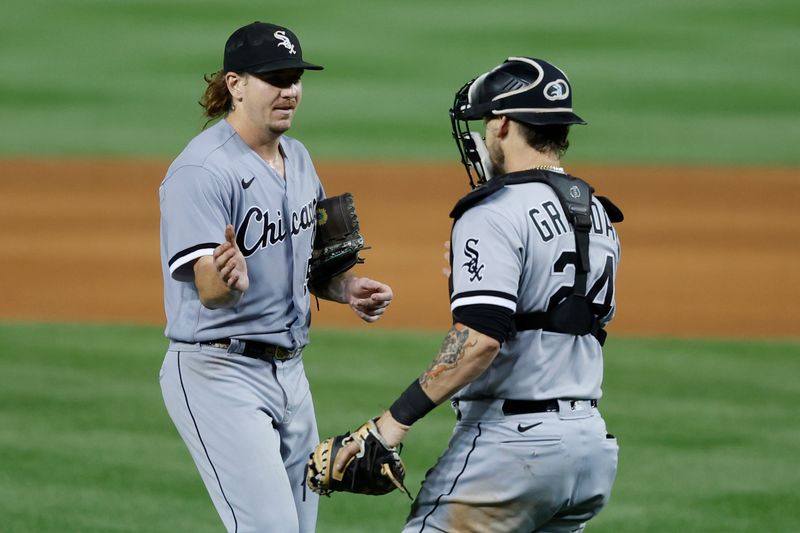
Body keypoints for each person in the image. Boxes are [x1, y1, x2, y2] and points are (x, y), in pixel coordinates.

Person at [332, 57, 622, 532]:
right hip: (589, 452)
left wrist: (392, 424)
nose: (485, 132)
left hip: (511, 452)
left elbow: (480, 339)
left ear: (505, 122)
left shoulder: (493, 210)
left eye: (488, 120)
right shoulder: (598, 214)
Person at [157, 21, 393, 533]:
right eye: (275, 78)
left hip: (290, 374)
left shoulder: (300, 158)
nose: (290, 91)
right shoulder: (202, 170)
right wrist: (227, 279)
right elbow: (208, 290)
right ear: (236, 84)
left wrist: (346, 287)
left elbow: (313, 265)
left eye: (295, 78)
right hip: (219, 372)